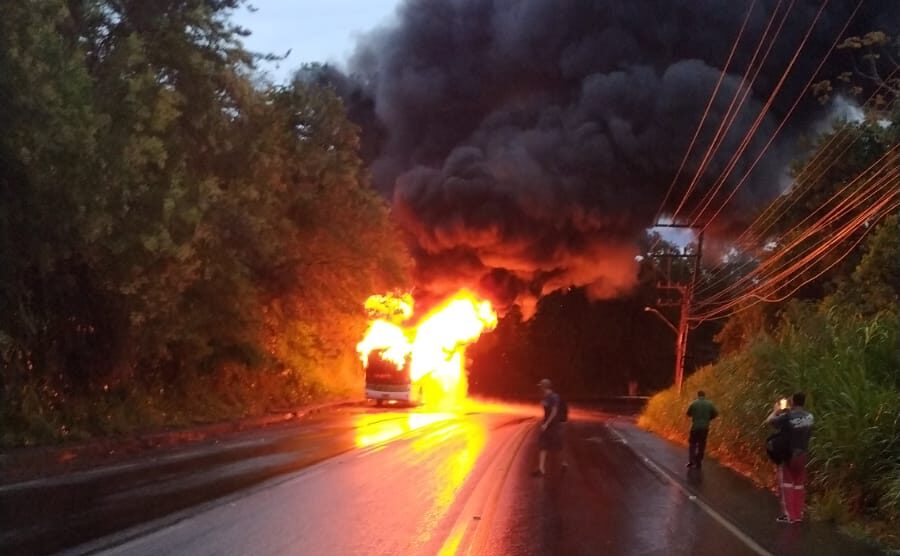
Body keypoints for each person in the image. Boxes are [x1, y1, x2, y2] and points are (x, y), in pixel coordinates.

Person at [767, 392, 814, 524]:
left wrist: (776, 411)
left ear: (792, 402)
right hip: (803, 454)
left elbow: (770, 421)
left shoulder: (788, 416)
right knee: (799, 485)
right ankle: (798, 514)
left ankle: (789, 515)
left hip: (790, 454)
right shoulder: (810, 417)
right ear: (803, 402)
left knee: (787, 484)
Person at [533, 378, 564, 476]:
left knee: (556, 446)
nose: (540, 389)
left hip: (553, 424)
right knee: (542, 444)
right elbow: (546, 411)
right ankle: (541, 469)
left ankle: (563, 463)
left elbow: (554, 411)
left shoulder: (554, 397)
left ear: (545, 387)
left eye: (541, 387)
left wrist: (547, 423)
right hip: (547, 423)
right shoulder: (545, 397)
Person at [686, 390, 718, 469]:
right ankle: (698, 460)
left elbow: (688, 414)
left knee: (692, 444)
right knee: (702, 444)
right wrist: (709, 418)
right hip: (705, 427)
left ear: (698, 395)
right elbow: (716, 413)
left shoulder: (694, 403)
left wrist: (695, 415)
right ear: (704, 395)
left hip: (695, 427)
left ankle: (691, 461)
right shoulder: (709, 404)